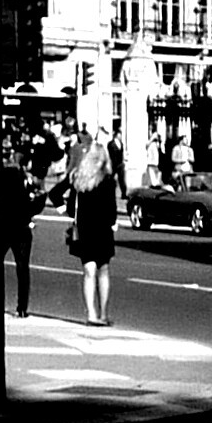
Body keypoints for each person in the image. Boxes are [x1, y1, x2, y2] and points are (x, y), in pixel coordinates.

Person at [67, 128, 123, 327]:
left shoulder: (80, 182)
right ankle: (104, 314)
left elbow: (69, 206)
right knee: (104, 271)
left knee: (88, 271)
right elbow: (112, 210)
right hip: (103, 229)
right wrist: (111, 222)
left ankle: (91, 314)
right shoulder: (108, 182)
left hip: (85, 229)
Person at [0, 147, 37, 319]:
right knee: (22, 267)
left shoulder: (1, 175)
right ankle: (22, 307)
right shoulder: (24, 178)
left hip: (3, 223)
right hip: (21, 225)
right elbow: (30, 204)